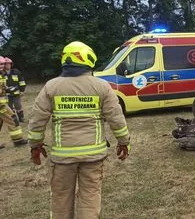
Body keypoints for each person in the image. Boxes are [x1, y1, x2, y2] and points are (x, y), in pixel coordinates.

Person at [28, 41, 131, 219]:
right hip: (93, 156)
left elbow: (37, 121)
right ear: (89, 59)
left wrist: (35, 146)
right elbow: (116, 118)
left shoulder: (51, 86)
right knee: (90, 197)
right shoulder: (101, 86)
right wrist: (123, 142)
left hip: (62, 157)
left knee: (60, 199)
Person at [0, 56, 27, 148]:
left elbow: (2, 88)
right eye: (0, 64)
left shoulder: (2, 74)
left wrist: (8, 89)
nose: (2, 66)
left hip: (2, 103)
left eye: (3, 64)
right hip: (1, 105)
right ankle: (18, 140)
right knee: (13, 119)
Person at [4, 57, 27, 122]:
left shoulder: (16, 72)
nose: (8, 65)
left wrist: (22, 90)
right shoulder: (2, 74)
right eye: (6, 64)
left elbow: (22, 81)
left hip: (16, 93)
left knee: (18, 105)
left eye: (9, 64)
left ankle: (21, 118)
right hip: (6, 94)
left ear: (11, 64)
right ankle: (13, 119)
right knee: (9, 107)